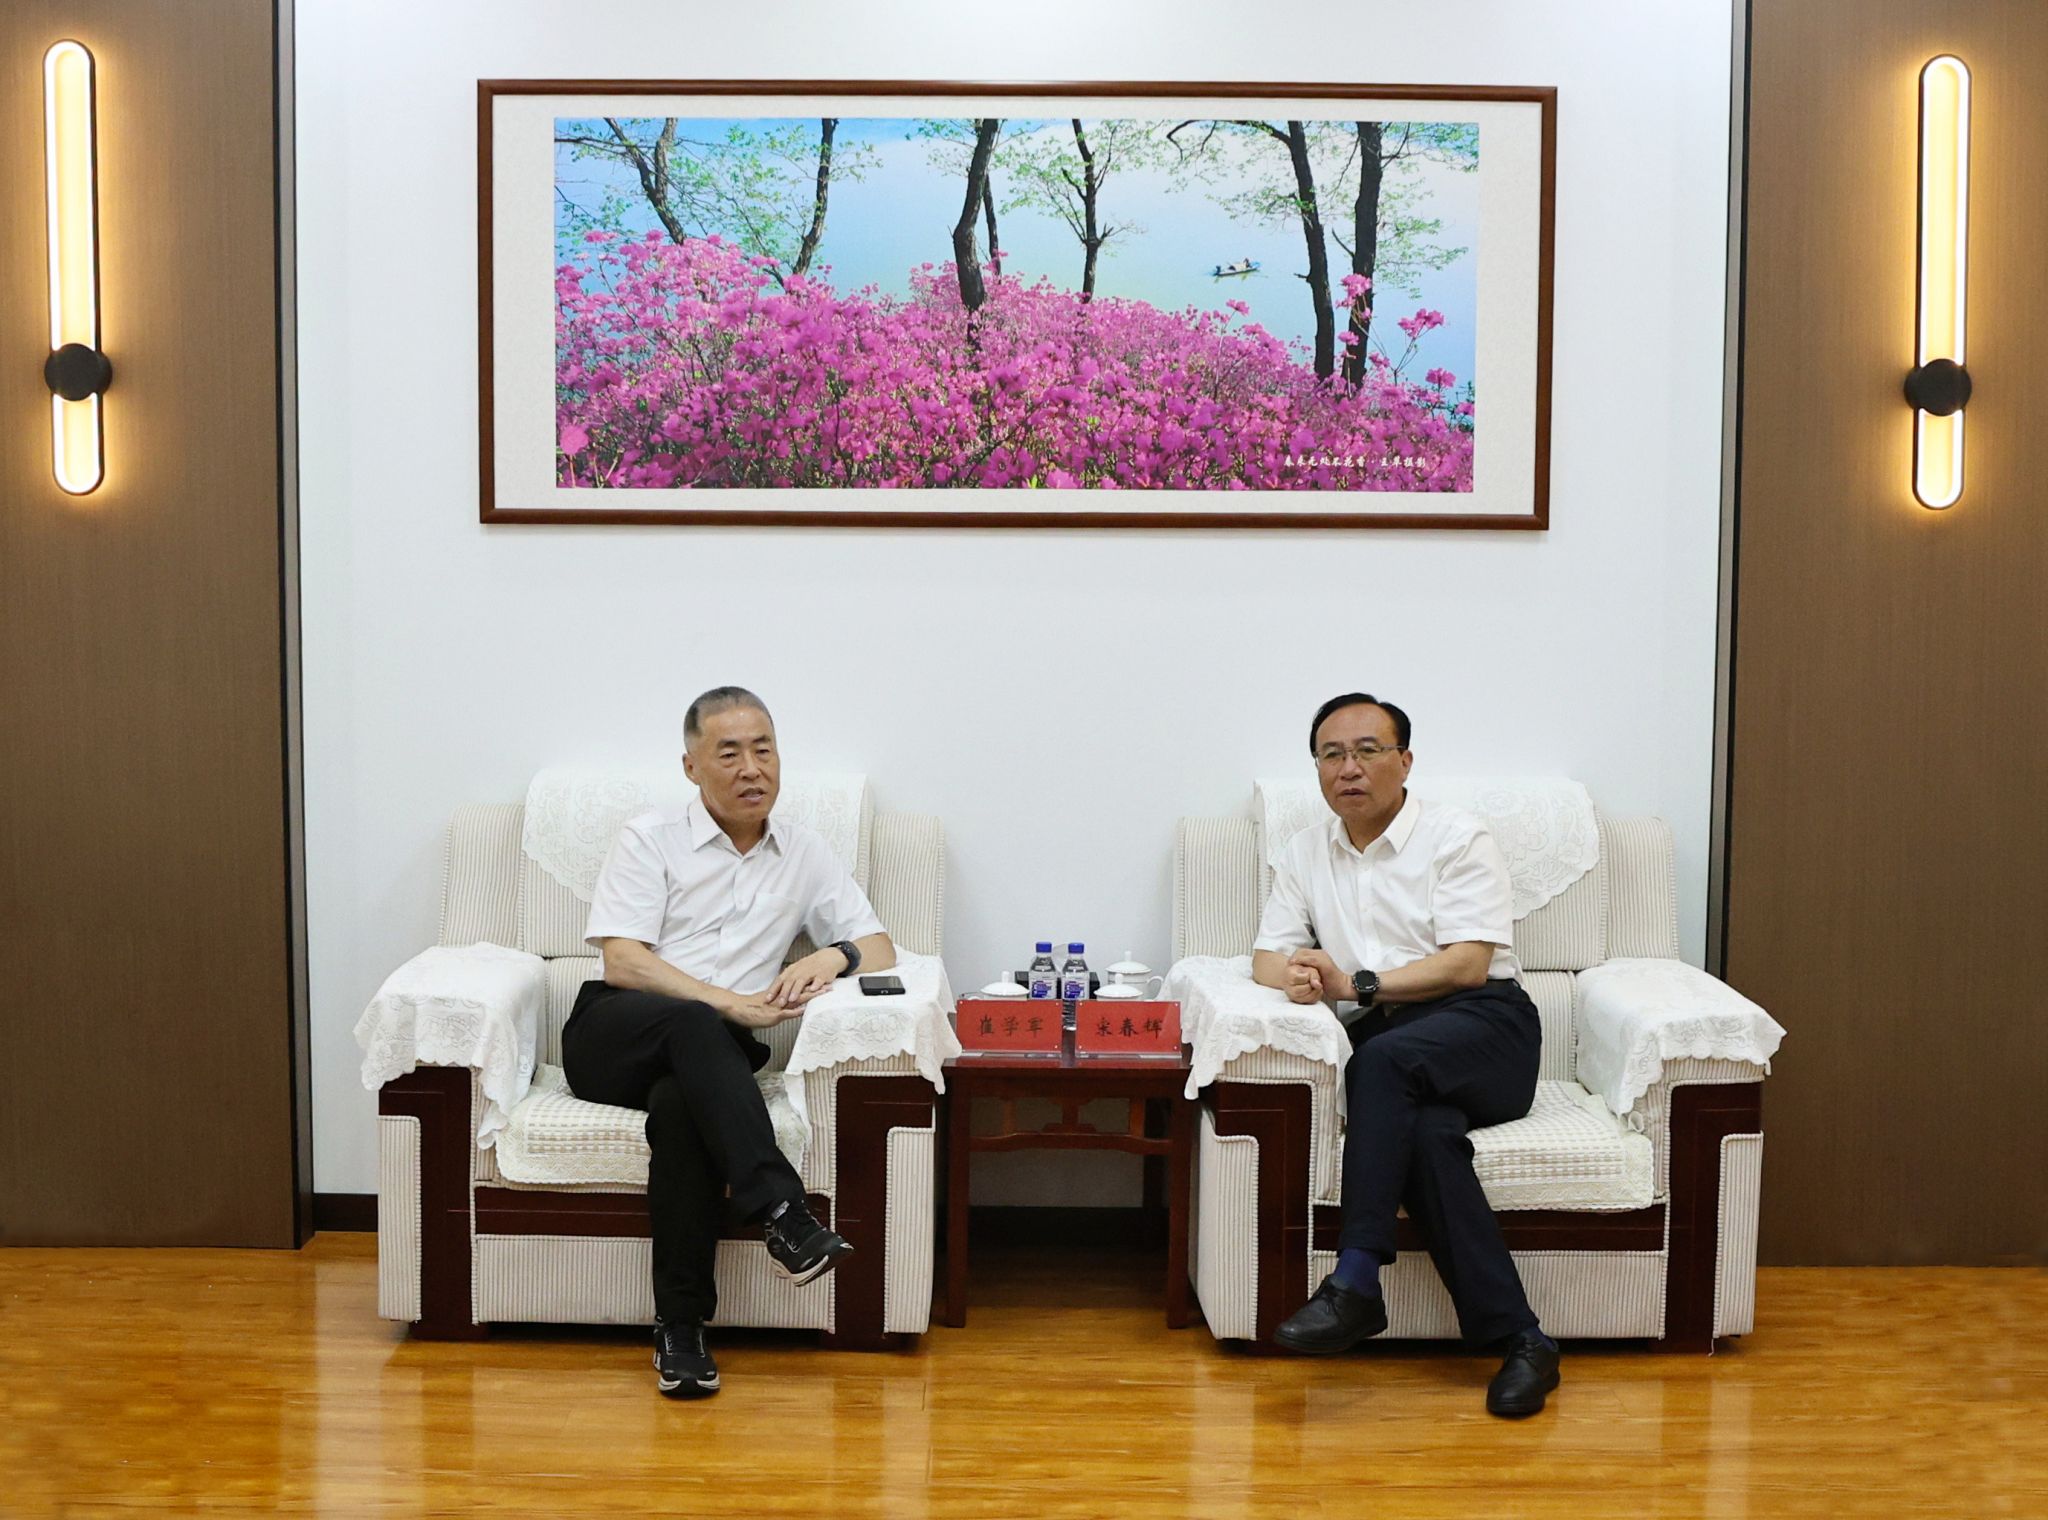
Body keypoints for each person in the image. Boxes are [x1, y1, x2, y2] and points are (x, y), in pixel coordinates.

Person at [564, 686, 895, 1398]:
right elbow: (622, 961)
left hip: (710, 1058)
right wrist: (728, 1003)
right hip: (616, 1033)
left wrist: (831, 954)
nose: (752, 768)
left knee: (684, 1112)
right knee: (695, 1022)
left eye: (763, 749)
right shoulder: (650, 837)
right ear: (691, 767)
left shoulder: (804, 852)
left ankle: (681, 1330)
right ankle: (782, 1210)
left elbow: (879, 945)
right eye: (730, 753)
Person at [1251, 692, 1560, 1417]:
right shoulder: (1305, 852)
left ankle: (1356, 1279)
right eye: (1331, 754)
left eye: (1368, 751)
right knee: (1424, 1136)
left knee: (1381, 1063)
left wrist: (1354, 983)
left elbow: (1468, 965)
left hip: (1487, 1029)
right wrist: (1294, 975)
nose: (1348, 768)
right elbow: (1266, 954)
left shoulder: (1456, 837)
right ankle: (1524, 1340)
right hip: (1397, 1043)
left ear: (1405, 761)